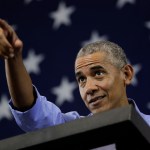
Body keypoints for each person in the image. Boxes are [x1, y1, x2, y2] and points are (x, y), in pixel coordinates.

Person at [0, 18, 149, 132]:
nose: (89, 88)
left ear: (126, 74)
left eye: (98, 73)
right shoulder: (73, 131)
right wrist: (13, 57)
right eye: (81, 79)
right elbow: (32, 111)